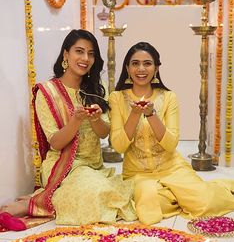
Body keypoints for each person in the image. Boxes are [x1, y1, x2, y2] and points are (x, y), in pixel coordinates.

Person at [0, 29, 136, 228]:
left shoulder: (96, 90)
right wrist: (75, 121)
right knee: (97, 197)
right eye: (79, 51)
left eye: (91, 54)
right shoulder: (47, 92)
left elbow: (103, 132)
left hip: (93, 166)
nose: (85, 58)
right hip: (62, 166)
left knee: (119, 194)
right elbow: (55, 142)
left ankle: (38, 199)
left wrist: (96, 119)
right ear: (66, 54)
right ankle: (32, 204)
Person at [108, 41, 234, 225]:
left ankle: (190, 192)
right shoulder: (117, 98)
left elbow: (170, 144)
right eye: (135, 63)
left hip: (172, 169)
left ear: (156, 68)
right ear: (127, 68)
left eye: (147, 63)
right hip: (138, 174)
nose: (141, 69)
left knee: (205, 202)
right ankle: (179, 195)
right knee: (148, 207)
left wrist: (151, 114)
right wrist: (134, 115)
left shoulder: (168, 97)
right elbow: (119, 145)